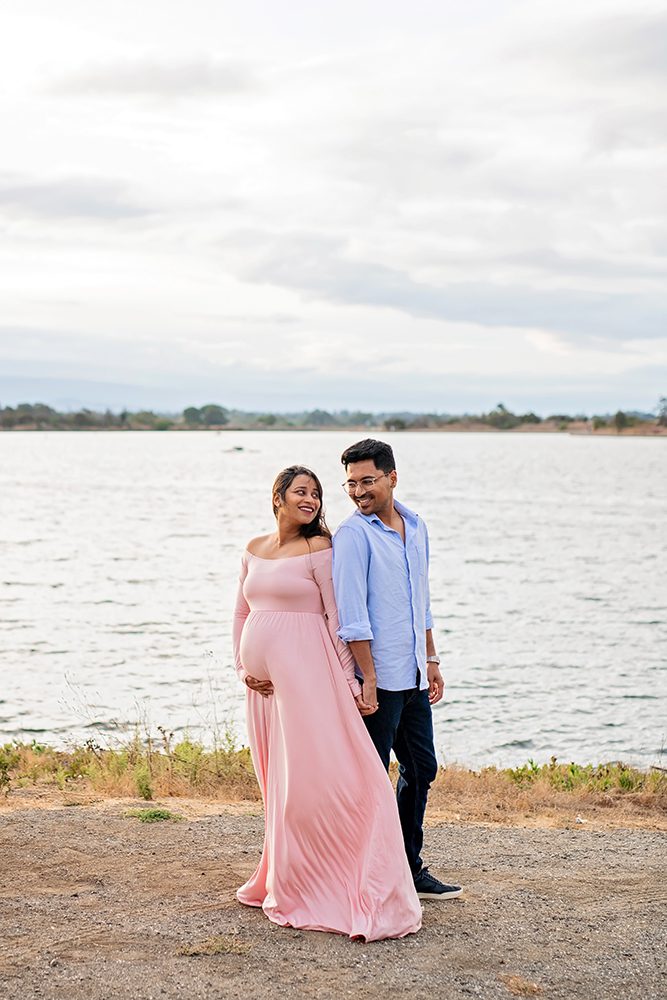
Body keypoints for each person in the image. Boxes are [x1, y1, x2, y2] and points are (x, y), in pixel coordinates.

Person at [232, 465, 422, 940]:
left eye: (316, 494)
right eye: (301, 492)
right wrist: (243, 669)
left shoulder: (321, 548)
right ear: (277, 496)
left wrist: (350, 681)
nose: (311, 500)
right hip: (264, 691)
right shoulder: (254, 549)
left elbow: (338, 616)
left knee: (318, 782)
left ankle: (343, 880)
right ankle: (284, 873)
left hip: (311, 681)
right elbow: (241, 612)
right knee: (276, 782)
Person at [332, 439, 463, 901]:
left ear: (392, 477)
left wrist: (431, 659)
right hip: (380, 679)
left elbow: (419, 600)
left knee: (421, 769)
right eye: (350, 483)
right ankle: (362, 876)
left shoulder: (416, 525)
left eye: (367, 481)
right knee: (369, 779)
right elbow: (352, 616)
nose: (358, 491)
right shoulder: (353, 536)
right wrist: (367, 677)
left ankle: (407, 868)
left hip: (412, 675)